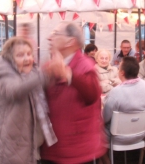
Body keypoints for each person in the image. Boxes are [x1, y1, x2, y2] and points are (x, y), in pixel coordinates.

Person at [40, 21, 106, 164]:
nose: (49, 38)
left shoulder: (85, 65)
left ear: (70, 41)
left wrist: (69, 74)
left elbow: (93, 95)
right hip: (52, 147)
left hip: (76, 150)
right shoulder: (50, 65)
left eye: (55, 34)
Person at [0, 37, 57, 164]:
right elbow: (14, 90)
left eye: (29, 54)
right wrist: (45, 74)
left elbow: (40, 88)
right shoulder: (3, 73)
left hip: (23, 141)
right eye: (20, 55)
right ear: (10, 58)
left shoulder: (31, 72)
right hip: (8, 143)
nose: (27, 58)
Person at [103, 57, 145, 163]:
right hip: (140, 135)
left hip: (117, 138)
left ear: (122, 73)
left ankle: (104, 161)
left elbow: (105, 118)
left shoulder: (116, 92)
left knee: (95, 128)